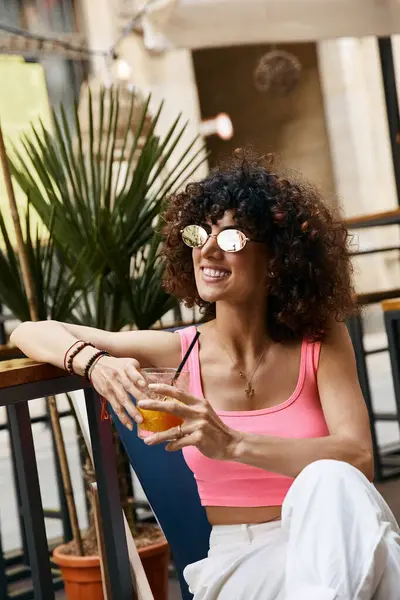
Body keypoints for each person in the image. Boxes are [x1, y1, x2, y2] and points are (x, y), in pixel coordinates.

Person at [11, 150, 400, 599]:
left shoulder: (320, 338)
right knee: (380, 563)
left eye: (232, 238)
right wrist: (94, 362)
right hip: (245, 560)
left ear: (277, 258)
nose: (208, 250)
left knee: (330, 481)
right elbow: (31, 330)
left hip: (336, 535)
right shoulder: (179, 349)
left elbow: (358, 457)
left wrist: (232, 443)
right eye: (200, 234)